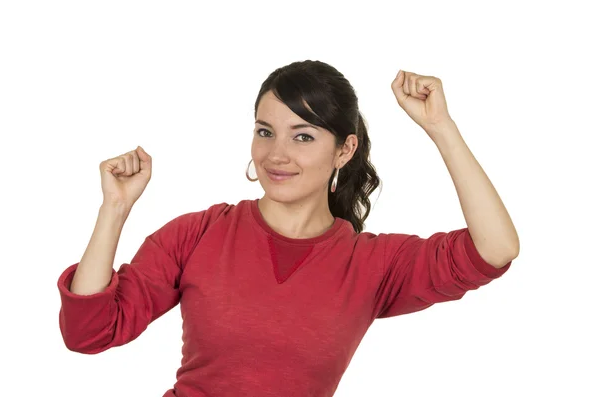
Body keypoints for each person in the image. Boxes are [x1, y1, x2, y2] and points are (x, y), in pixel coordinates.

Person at [57, 60, 519, 397]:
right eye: (265, 131)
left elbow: (495, 248)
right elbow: (90, 333)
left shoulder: (374, 265)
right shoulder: (198, 234)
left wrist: (440, 126)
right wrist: (114, 209)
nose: (277, 154)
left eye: (303, 136)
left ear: (344, 150)